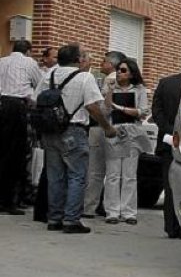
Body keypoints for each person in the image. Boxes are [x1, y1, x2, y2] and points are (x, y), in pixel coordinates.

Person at [38, 44, 117, 233]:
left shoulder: (48, 75)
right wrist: (106, 127)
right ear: (78, 59)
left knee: (55, 177)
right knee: (77, 176)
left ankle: (54, 218)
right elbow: (92, 106)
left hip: (50, 131)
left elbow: (36, 100)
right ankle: (71, 220)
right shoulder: (84, 77)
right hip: (74, 130)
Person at [103, 58, 149, 224]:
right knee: (113, 174)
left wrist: (120, 108)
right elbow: (104, 110)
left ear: (131, 73)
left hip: (132, 132)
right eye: (118, 70)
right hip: (114, 131)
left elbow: (142, 112)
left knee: (129, 175)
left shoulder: (139, 90)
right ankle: (112, 211)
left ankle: (129, 211)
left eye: (123, 70)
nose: (120, 73)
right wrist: (109, 90)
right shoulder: (111, 88)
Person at [0, 40, 43, 214]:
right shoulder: (29, 63)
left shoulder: (1, 61)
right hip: (17, 107)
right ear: (29, 52)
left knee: (1, 152)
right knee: (16, 154)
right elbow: (40, 85)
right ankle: (9, 200)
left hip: (1, 104)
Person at [84, 50, 125, 217]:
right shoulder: (122, 80)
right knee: (113, 172)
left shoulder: (110, 79)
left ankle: (89, 207)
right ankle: (110, 208)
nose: (101, 64)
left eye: (104, 61)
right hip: (113, 127)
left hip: (101, 127)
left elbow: (102, 107)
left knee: (95, 171)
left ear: (112, 64)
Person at [152, 60, 181, 239]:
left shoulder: (165, 82)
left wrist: (169, 131)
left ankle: (170, 226)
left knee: (169, 185)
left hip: (167, 141)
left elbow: (156, 112)